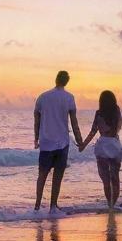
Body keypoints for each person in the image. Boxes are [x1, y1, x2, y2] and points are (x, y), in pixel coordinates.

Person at [33, 70, 82, 216]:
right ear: (66, 82)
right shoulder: (69, 98)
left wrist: (36, 138)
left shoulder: (43, 97)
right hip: (62, 142)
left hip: (46, 141)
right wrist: (80, 141)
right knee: (58, 175)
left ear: (56, 80)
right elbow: (74, 122)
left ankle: (36, 207)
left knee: (42, 174)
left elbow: (37, 118)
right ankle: (53, 206)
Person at [78, 89, 122, 209]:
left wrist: (83, 144)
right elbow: (118, 127)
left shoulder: (99, 113)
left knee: (106, 180)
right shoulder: (116, 111)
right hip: (114, 145)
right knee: (115, 179)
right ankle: (112, 206)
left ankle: (110, 205)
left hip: (102, 146)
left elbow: (93, 131)